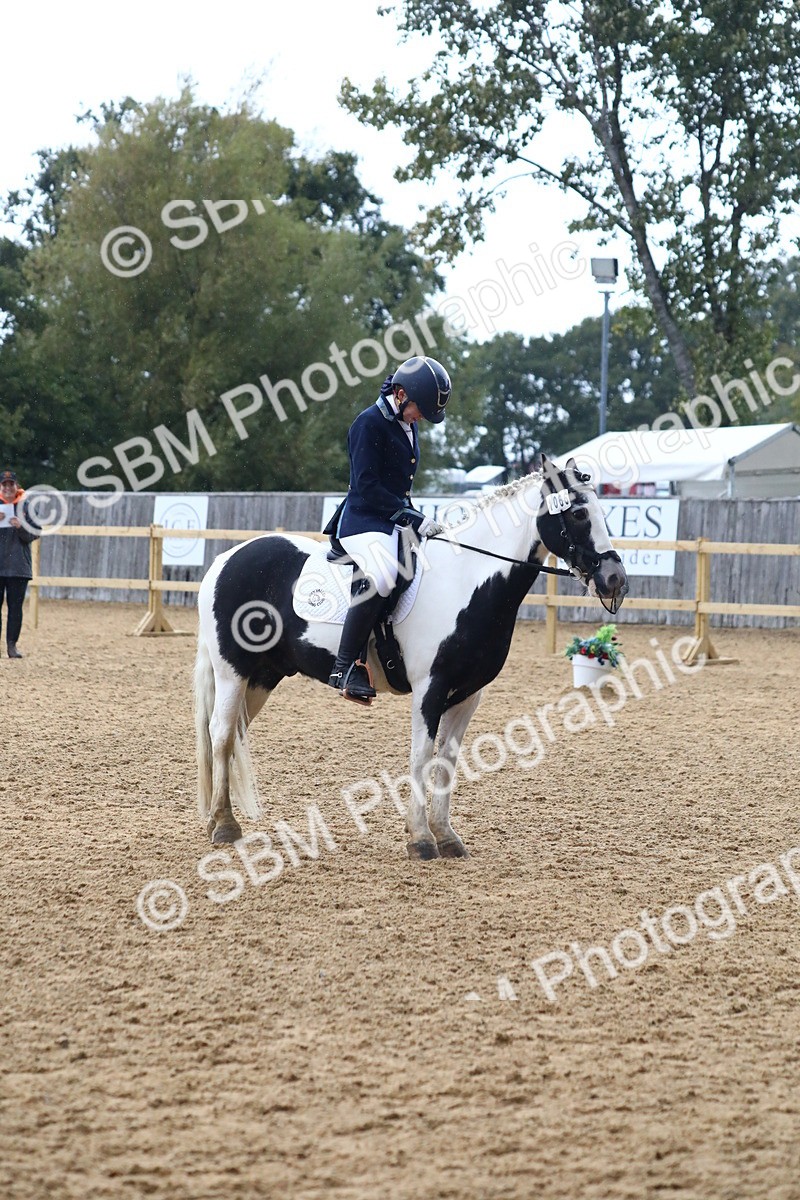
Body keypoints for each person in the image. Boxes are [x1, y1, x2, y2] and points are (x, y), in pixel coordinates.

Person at [326, 355, 451, 705]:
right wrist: (412, 517)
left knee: (424, 569)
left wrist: (410, 517)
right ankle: (344, 666)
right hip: (364, 520)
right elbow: (366, 486)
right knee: (382, 576)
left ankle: (385, 647)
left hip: (393, 519)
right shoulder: (368, 424)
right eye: (419, 410)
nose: (421, 417)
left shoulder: (406, 424)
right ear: (399, 394)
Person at [0, 470, 39, 658]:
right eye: (4, 484)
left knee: (15, 609)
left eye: (11, 484)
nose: (8, 488)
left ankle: (11, 646)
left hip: (18, 567)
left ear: (17, 486)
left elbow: (35, 533)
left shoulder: (26, 506)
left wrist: (20, 526)